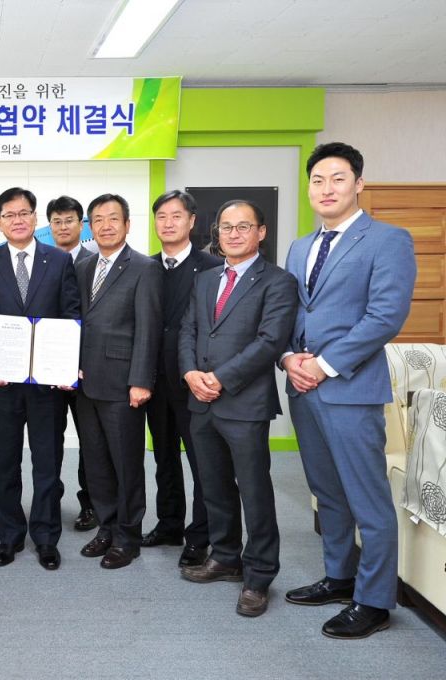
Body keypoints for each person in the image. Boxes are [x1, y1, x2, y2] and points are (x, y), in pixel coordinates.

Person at [282, 142, 416, 639]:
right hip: (302, 388)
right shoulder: (300, 247)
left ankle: (374, 600)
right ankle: (339, 577)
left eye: (337, 178)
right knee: (326, 492)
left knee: (367, 498)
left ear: (359, 184)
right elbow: (290, 312)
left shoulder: (388, 240)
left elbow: (385, 317)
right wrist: (289, 358)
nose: (326, 188)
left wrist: (323, 365)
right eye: (317, 180)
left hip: (352, 388)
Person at [178, 199, 298, 618]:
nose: (233, 234)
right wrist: (190, 373)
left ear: (260, 232)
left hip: (244, 403)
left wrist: (221, 378)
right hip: (201, 400)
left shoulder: (278, 282)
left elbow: (270, 341)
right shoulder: (206, 279)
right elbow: (189, 330)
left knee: (254, 490)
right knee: (213, 486)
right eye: (226, 227)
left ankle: (259, 574)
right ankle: (226, 556)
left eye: (243, 226)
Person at [0, 187, 80, 570]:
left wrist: (65, 362)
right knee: (6, 462)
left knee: (47, 463)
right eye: (9, 215)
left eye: (24, 213)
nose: (17, 220)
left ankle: (46, 538)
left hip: (47, 384)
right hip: (3, 383)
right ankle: (10, 536)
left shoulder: (59, 260)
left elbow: (70, 314)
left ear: (35, 218)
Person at [74, 193, 162, 570]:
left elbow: (148, 328)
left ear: (127, 224)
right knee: (96, 462)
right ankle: (107, 527)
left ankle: (128, 537)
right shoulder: (83, 266)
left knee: (126, 464)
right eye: (98, 219)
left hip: (124, 383)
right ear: (90, 227)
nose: (105, 225)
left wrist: (141, 380)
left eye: (113, 218)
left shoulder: (144, 267)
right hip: (84, 382)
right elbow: (78, 322)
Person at [144, 190, 222, 567]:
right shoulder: (145, 267)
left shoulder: (213, 267)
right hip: (155, 380)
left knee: (202, 462)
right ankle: (169, 523)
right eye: (161, 216)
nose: (168, 223)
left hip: (196, 381)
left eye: (176, 216)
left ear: (192, 221)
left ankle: (200, 535)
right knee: (164, 458)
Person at [46, 194, 98, 532]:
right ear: (49, 226)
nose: (63, 227)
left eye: (69, 221)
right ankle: (50, 502)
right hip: (48, 369)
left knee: (90, 442)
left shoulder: (97, 261)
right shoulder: (44, 261)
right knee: (50, 442)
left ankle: (90, 503)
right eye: (57, 221)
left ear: (82, 225)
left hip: (86, 369)